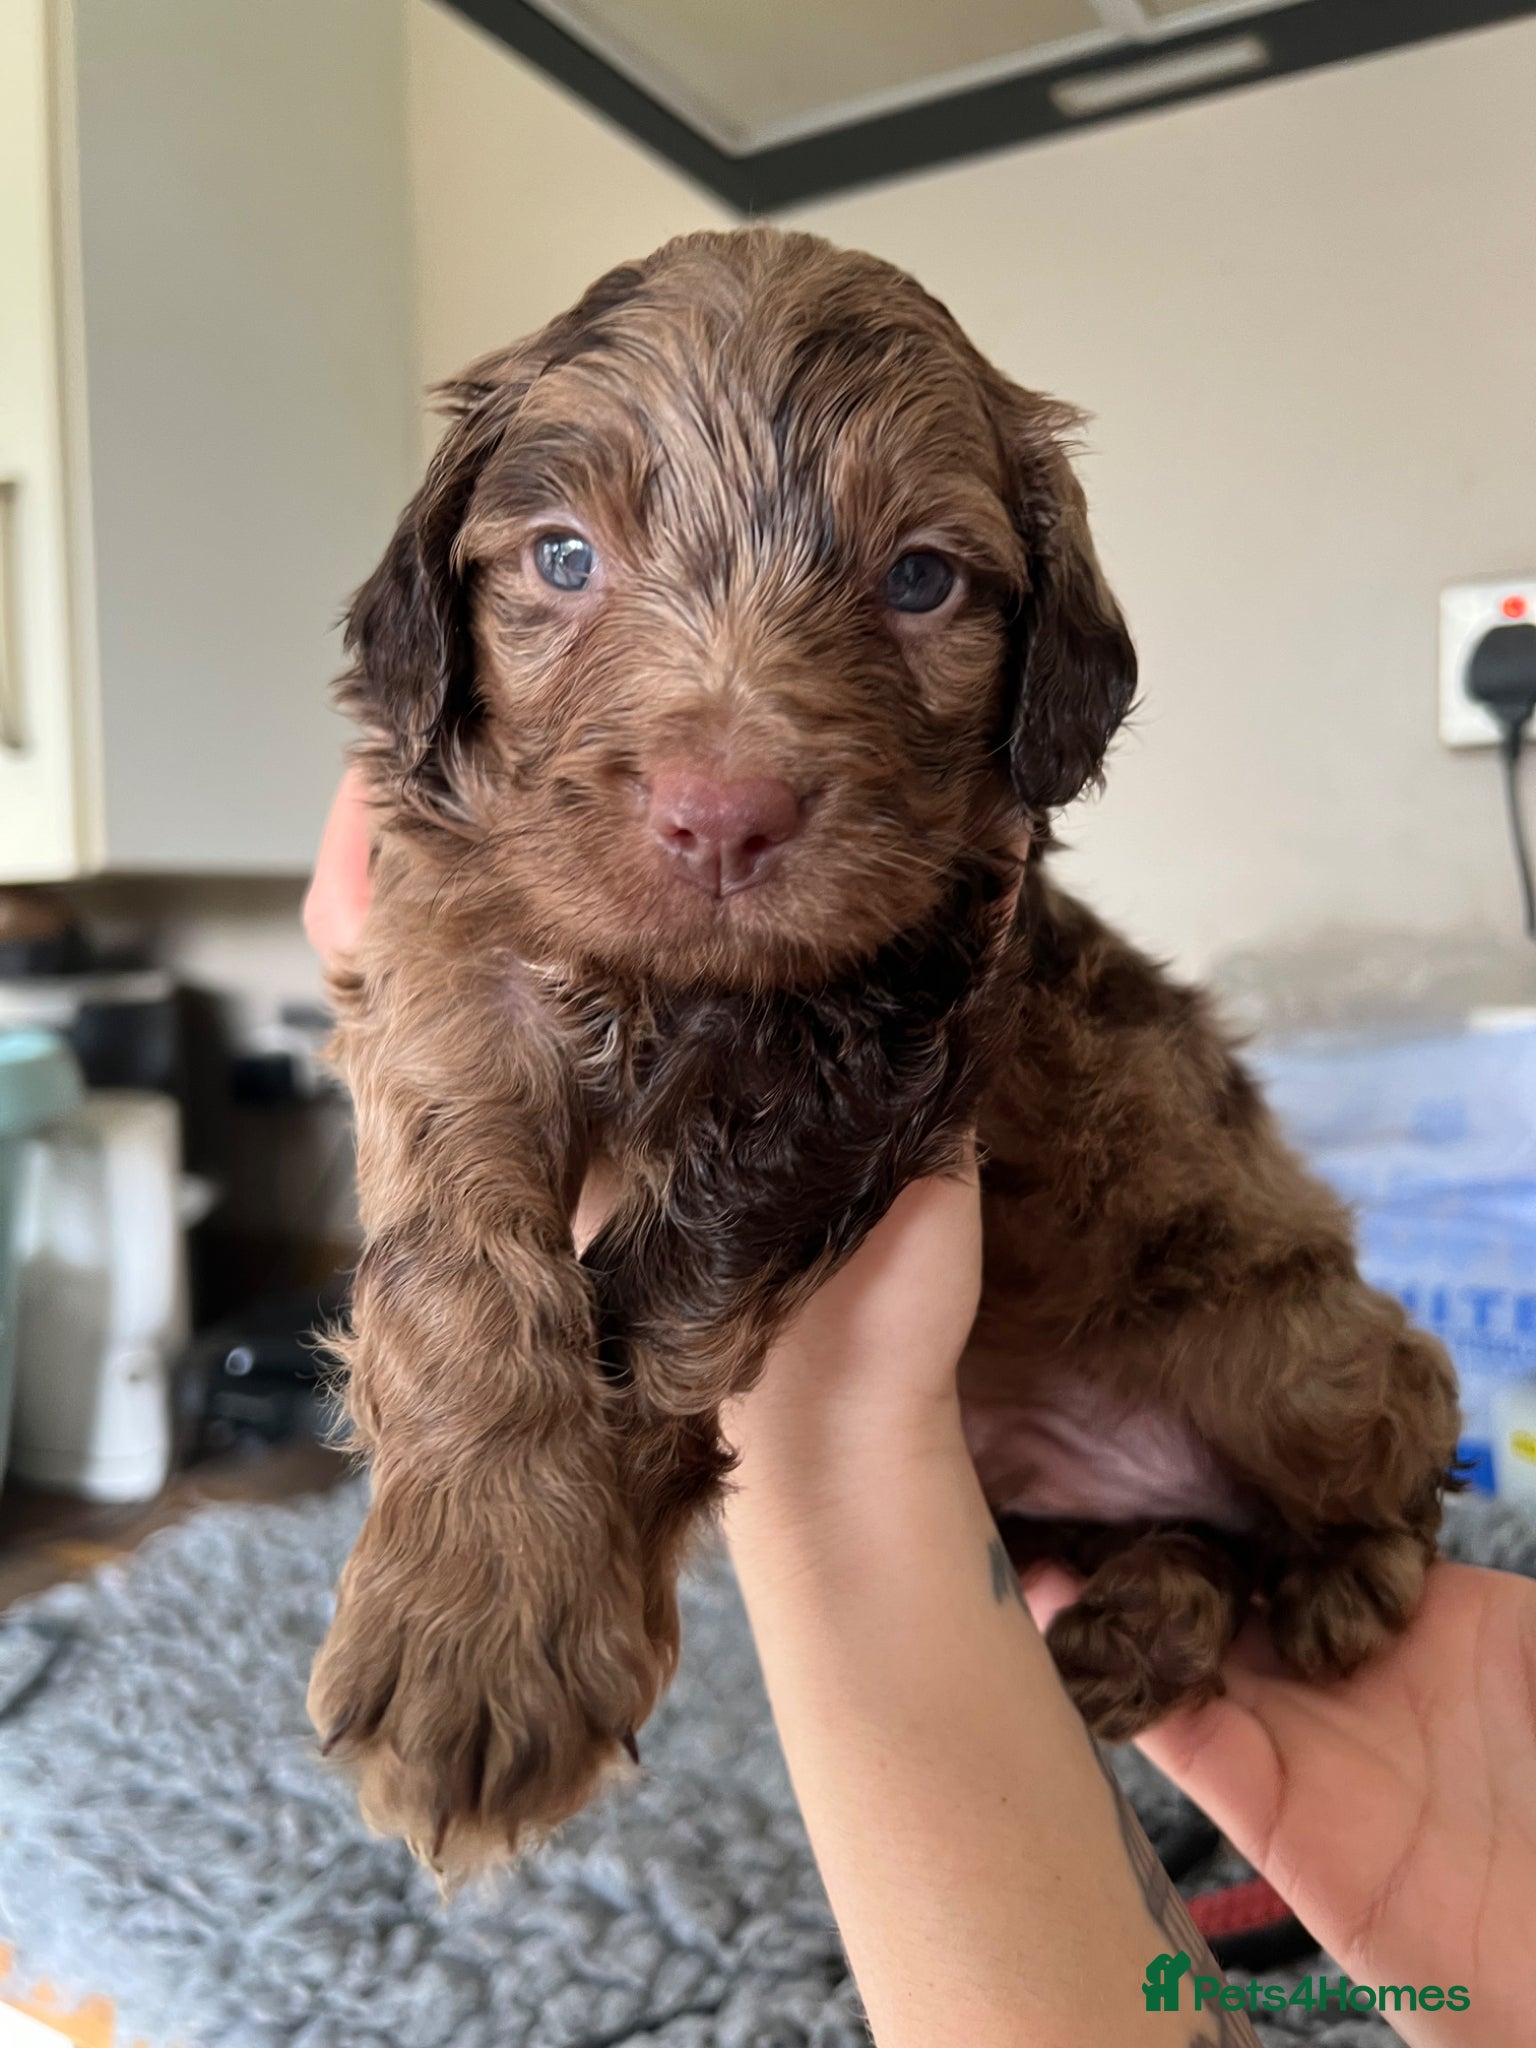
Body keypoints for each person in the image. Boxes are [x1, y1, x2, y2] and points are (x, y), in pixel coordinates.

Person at [307, 772, 1536, 2046]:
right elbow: (449, 1087)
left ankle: (1298, 1545)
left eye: (918, 582)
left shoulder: (926, 877)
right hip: (982, 1429)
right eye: (565, 559)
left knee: (1324, 1408)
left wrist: (580, 1476)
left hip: (1181, 1305)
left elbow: (829, 1105)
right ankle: (1182, 1566)